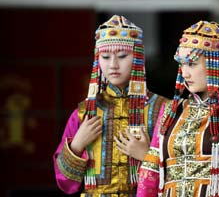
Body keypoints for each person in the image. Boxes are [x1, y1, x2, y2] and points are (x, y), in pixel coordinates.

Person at [137, 21, 219, 197]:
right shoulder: (171, 111)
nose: (185, 73)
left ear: (216, 63)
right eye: (182, 64)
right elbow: (150, 173)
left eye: (192, 64)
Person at [53, 15, 167, 196]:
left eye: (122, 56)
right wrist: (77, 145)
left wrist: (147, 156)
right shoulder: (84, 113)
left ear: (138, 56)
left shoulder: (162, 109)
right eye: (105, 57)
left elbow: (180, 175)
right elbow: (66, 184)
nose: (113, 65)